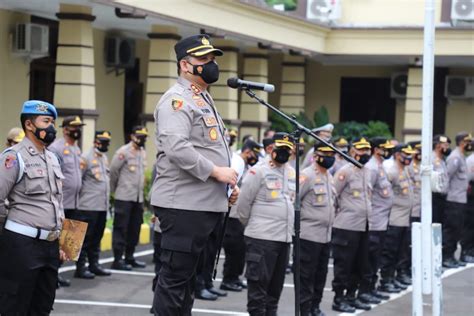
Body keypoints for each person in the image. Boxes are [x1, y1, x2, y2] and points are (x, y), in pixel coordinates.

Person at [150, 34, 239, 315]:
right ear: (185, 65)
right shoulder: (176, 100)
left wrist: (225, 186)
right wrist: (217, 172)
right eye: (204, 59)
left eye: (212, 59)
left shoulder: (203, 99)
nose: (211, 64)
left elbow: (209, 147)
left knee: (188, 282)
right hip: (182, 205)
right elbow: (177, 148)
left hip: (201, 204)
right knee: (175, 279)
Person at [0, 100, 67, 314]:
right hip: (22, 244)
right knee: (16, 306)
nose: (51, 128)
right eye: (46, 121)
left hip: (50, 246)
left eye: (53, 122)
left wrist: (63, 239)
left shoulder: (53, 158)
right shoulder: (13, 156)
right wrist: (6, 237)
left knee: (43, 306)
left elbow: (57, 202)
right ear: (29, 125)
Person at [236, 132, 296, 316]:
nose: (284, 152)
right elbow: (243, 206)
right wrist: (255, 226)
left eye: (288, 149)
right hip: (261, 239)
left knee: (274, 292)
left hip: (283, 240)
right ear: (270, 149)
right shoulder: (258, 171)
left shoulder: (291, 172)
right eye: (281, 148)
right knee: (258, 292)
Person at [331, 136, 375, 313]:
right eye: (361, 150)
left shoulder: (367, 171)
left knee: (360, 263)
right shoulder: (345, 171)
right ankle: (338, 298)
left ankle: (351, 296)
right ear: (352, 151)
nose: (364, 153)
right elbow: (334, 195)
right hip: (346, 227)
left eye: (367, 150)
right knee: (344, 264)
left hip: (363, 225)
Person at [298, 140, 336, 316]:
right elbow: (294, 200)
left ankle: (315, 307)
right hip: (308, 236)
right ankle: (304, 310)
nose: (329, 158)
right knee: (306, 276)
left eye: (331, 155)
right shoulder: (306, 175)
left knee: (320, 276)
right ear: (315, 156)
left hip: (325, 235)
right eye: (325, 155)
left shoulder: (329, 176)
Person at [48, 115, 86, 287]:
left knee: (69, 244)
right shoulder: (56, 148)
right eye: (74, 127)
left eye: (79, 127)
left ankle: (57, 272)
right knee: (57, 242)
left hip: (76, 202)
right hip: (62, 204)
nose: (77, 130)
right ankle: (51, 275)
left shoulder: (76, 149)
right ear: (65, 129)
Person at [221, 140, 262, 292]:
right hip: (232, 214)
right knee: (233, 250)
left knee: (240, 250)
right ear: (247, 151)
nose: (255, 156)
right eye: (254, 153)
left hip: (240, 215)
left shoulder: (247, 167)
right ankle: (227, 279)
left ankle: (235, 278)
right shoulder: (235, 164)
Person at [109, 125, 148, 271]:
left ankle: (130, 257)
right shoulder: (123, 152)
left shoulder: (143, 152)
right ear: (132, 136)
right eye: (140, 137)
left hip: (137, 199)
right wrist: (115, 191)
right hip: (124, 197)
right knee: (121, 228)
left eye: (144, 137)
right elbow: (113, 172)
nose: (142, 140)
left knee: (134, 228)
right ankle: (118, 259)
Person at [75, 131, 113, 278]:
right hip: (87, 206)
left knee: (97, 237)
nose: (104, 145)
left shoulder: (104, 158)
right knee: (85, 239)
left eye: (107, 142)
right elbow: (78, 181)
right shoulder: (85, 157)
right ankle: (80, 268)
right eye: (102, 141)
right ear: (95, 141)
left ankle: (94, 264)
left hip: (101, 206)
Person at [379, 144, 416, 292]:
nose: (409, 157)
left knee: (401, 251)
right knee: (390, 252)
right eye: (405, 154)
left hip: (404, 219)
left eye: (410, 154)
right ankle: (385, 281)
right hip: (394, 219)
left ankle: (393, 278)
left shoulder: (406, 170)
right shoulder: (391, 171)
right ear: (397, 154)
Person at [364, 137, 394, 298]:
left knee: (376, 259)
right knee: (370, 259)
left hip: (382, 221)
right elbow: (367, 194)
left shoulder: (380, 166)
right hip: (375, 222)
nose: (388, 151)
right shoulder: (372, 168)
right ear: (376, 150)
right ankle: (366, 290)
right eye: (385, 148)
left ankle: (372, 288)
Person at [442, 132, 472, 268]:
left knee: (457, 230)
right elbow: (447, 177)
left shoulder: (461, 157)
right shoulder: (455, 157)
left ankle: (452, 256)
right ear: (462, 143)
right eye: (468, 142)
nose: (470, 145)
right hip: (453, 200)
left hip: (460, 200)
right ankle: (446, 257)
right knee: (451, 230)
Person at [431, 135, 451, 224]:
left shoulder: (442, 160)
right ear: (438, 145)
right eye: (445, 145)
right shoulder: (431, 158)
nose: (447, 148)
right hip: (434, 197)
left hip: (442, 197)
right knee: (434, 222)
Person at [461, 144, 474, 263]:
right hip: (471, 197)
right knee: (470, 225)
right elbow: (468, 178)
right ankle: (466, 251)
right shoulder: (471, 160)